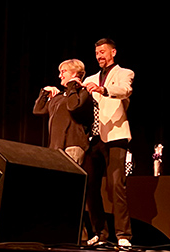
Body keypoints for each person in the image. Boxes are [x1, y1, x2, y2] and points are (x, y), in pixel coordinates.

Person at [82, 38, 134, 247]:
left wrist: (103, 90)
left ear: (113, 52)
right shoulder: (90, 78)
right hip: (93, 139)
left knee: (115, 186)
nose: (99, 56)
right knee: (90, 186)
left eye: (103, 52)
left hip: (115, 136)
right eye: (97, 53)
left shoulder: (124, 73)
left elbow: (125, 90)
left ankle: (123, 235)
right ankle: (100, 233)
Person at [33, 59, 93, 165]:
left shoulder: (83, 93)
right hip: (55, 147)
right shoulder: (59, 97)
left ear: (74, 73)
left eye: (63, 71)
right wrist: (45, 93)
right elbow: (38, 110)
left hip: (72, 146)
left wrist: (72, 85)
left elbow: (73, 106)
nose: (60, 76)